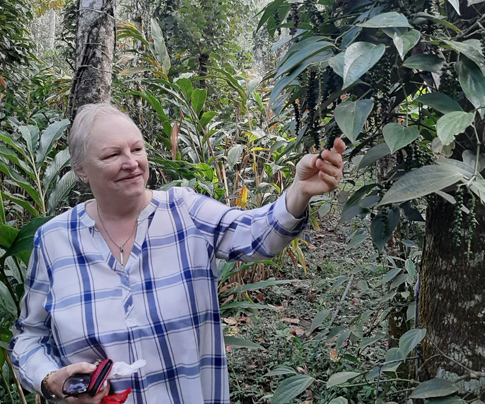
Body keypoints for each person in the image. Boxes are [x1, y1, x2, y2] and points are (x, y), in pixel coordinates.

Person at [9, 103, 345, 404]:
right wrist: (51, 380)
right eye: (112, 155)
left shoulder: (185, 212)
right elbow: (29, 336)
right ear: (81, 169)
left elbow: (259, 235)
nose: (131, 163)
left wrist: (299, 191)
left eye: (137, 149)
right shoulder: (53, 240)